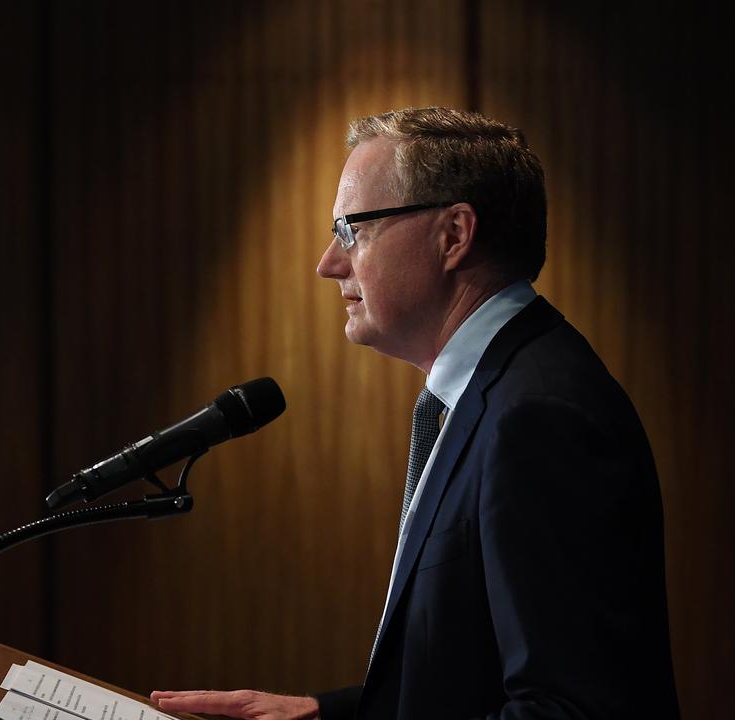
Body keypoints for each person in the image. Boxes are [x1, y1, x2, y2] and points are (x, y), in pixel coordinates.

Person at [150, 107, 680, 719]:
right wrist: (320, 715)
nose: (329, 263)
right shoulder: (493, 390)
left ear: (454, 235)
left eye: (351, 229)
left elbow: (572, 710)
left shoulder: (538, 414)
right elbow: (462, 683)